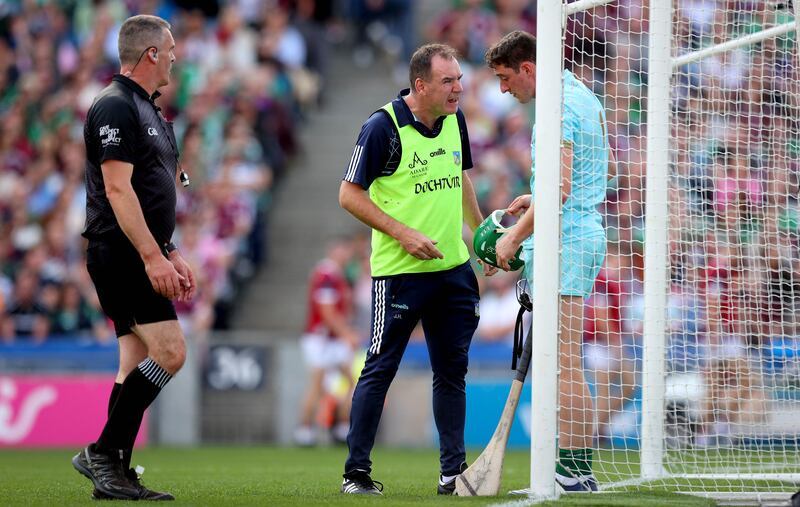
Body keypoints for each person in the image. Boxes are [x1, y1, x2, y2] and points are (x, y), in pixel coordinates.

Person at [338, 43, 497, 496]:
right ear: (420, 84)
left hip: (453, 272)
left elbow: (460, 177)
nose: (458, 89)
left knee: (452, 372)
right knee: (379, 369)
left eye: (460, 80)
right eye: (448, 82)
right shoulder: (381, 128)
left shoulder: (455, 120)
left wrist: (480, 232)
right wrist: (403, 233)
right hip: (400, 273)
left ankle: (453, 472)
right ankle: (357, 473)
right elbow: (349, 195)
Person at [71, 14, 195, 501]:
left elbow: (153, 192)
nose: (174, 57)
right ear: (150, 55)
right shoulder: (114, 107)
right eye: (170, 50)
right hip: (121, 254)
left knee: (134, 361)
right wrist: (153, 258)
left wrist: (171, 250)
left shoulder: (148, 110)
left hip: (138, 252)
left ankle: (113, 473)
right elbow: (119, 190)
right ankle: (102, 452)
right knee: (171, 353)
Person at [485, 30, 615, 492]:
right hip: (579, 232)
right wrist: (533, 197)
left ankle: (575, 472)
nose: (503, 89)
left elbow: (558, 192)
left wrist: (512, 239)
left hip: (567, 240)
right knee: (563, 360)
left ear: (528, 68)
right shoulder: (584, 96)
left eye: (505, 78)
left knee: (563, 362)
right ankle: (573, 468)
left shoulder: (555, 109)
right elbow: (598, 171)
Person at [294, 236, 359, 446]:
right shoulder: (326, 274)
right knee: (317, 384)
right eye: (344, 249)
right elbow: (327, 313)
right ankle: (304, 431)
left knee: (351, 383)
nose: (346, 254)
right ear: (334, 250)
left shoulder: (338, 275)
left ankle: (340, 427)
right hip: (321, 338)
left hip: (332, 339)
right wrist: (346, 334)